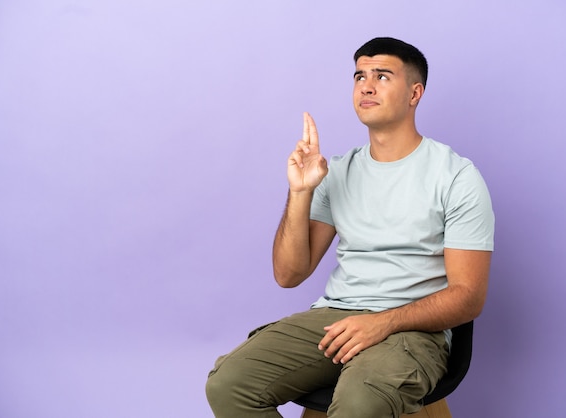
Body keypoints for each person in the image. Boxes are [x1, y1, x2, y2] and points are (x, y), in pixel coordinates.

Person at [206, 37, 494, 418]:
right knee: (229, 383)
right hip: (336, 317)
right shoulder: (337, 172)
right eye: (359, 76)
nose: (366, 85)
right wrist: (300, 191)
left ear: (415, 92)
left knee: (359, 402)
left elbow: (468, 296)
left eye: (382, 76)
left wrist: (382, 323)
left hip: (412, 329)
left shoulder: (456, 176)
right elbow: (289, 274)